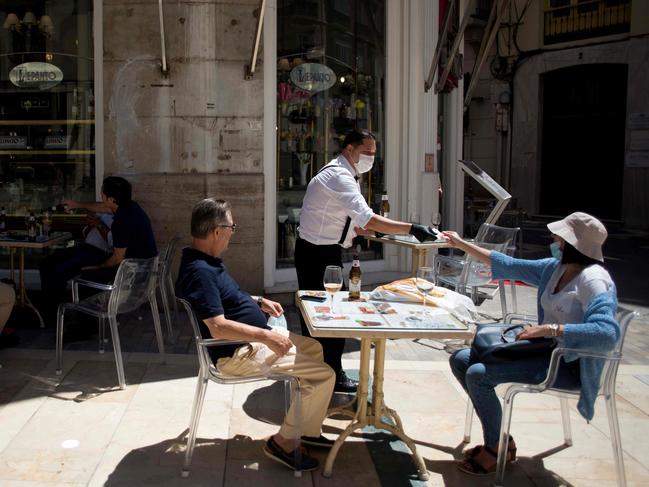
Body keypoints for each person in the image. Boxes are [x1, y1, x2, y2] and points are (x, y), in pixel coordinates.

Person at [445, 212, 620, 475]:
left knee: (478, 375)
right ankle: (502, 440)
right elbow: (508, 264)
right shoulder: (555, 267)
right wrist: (460, 243)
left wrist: (551, 329)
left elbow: (606, 333)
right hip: (544, 352)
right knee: (460, 359)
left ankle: (495, 448)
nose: (553, 239)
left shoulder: (593, 280)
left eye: (560, 238)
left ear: (575, 245)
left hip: (570, 364)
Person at [176, 198, 335, 472]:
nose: (233, 232)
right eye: (232, 226)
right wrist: (266, 336)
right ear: (217, 231)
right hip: (236, 353)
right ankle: (282, 443)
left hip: (249, 342)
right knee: (323, 376)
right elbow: (217, 326)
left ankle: (306, 430)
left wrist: (257, 301)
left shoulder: (206, 262)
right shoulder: (199, 271)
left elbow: (224, 299)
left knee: (314, 349)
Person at [295, 129, 439, 392]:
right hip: (317, 254)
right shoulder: (339, 176)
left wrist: (386, 232)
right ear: (349, 149)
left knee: (323, 316)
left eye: (374, 153)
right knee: (326, 317)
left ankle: (317, 373)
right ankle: (326, 376)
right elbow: (367, 218)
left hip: (321, 250)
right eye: (367, 152)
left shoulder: (347, 173)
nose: (372, 157)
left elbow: (357, 224)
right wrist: (411, 228)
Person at [62, 176, 158, 284]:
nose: (101, 195)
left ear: (111, 199)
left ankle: (91, 300)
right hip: (144, 266)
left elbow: (117, 258)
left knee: (86, 274)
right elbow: (103, 207)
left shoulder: (121, 222)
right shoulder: (130, 206)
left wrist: (100, 266)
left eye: (102, 194)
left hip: (135, 272)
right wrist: (77, 205)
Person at [39, 212, 114, 324]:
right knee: (46, 263)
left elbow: (112, 241)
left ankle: (55, 315)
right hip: (84, 247)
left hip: (98, 253)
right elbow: (86, 233)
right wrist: (91, 225)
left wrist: (99, 225)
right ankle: (50, 309)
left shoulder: (120, 217)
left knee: (58, 270)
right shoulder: (102, 213)